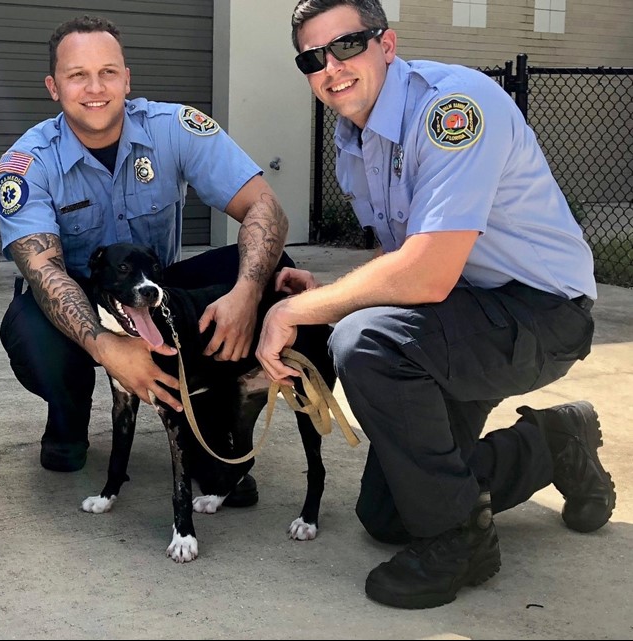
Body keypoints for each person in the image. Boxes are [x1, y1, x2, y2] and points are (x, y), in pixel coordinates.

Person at [254, 0, 617, 609]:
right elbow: (403, 264)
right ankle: (555, 443)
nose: (331, 67)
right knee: (388, 514)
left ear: (386, 45)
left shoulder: (452, 108)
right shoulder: (355, 138)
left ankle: (459, 542)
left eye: (346, 45)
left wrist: (303, 313)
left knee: (364, 341)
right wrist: (330, 295)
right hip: (461, 316)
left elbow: (427, 270)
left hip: (541, 312)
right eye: (312, 58)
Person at [0, 15, 333, 509]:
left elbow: (265, 208)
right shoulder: (28, 163)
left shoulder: (174, 128)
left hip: (153, 288)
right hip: (74, 299)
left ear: (127, 79)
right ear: (53, 86)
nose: (95, 88)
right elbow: (45, 274)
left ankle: (212, 403)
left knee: (264, 263)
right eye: (77, 75)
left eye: (108, 72)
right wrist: (109, 348)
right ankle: (68, 417)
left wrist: (244, 296)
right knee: (38, 337)